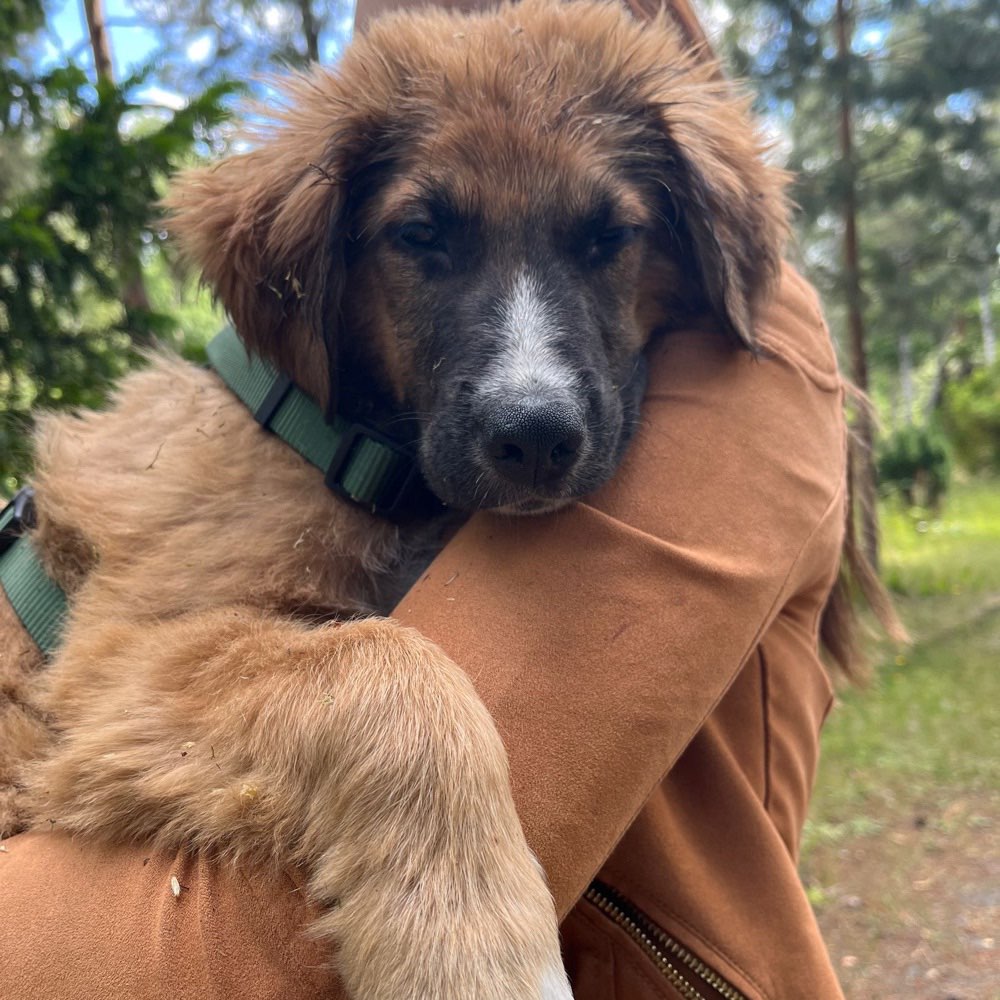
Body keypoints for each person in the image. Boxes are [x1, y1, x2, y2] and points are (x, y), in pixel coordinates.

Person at [0, 1, 859, 996]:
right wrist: (381, 730)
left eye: (600, 240)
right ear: (308, 278)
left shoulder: (744, 358)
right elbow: (122, 697)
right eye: (424, 238)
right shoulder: (262, 462)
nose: (526, 391)